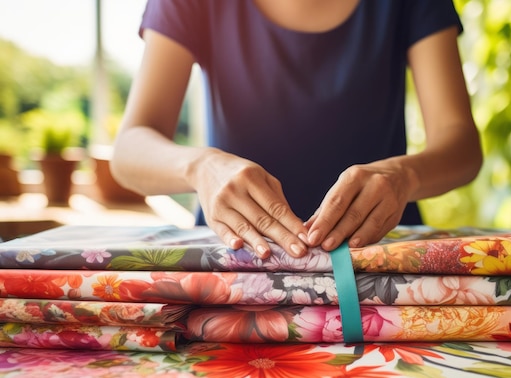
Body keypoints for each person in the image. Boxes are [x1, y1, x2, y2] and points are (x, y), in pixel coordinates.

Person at [111, 0, 482, 259]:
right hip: (236, 261)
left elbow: (462, 145)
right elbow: (129, 150)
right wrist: (200, 167)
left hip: (381, 258)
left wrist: (404, 174)